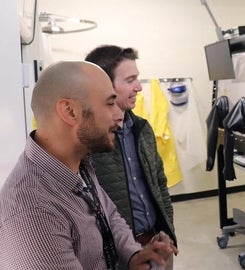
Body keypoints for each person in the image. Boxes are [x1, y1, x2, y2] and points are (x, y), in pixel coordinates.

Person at [0, 61, 177, 269]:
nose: (120, 116)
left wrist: (132, 254)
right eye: (110, 104)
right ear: (70, 111)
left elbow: (107, 214)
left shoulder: (79, 163)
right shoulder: (33, 214)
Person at [85, 45, 177, 269]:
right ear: (104, 85)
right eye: (130, 80)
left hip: (157, 241)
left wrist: (168, 231)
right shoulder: (89, 140)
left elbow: (160, 184)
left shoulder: (141, 128)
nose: (138, 87)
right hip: (119, 253)